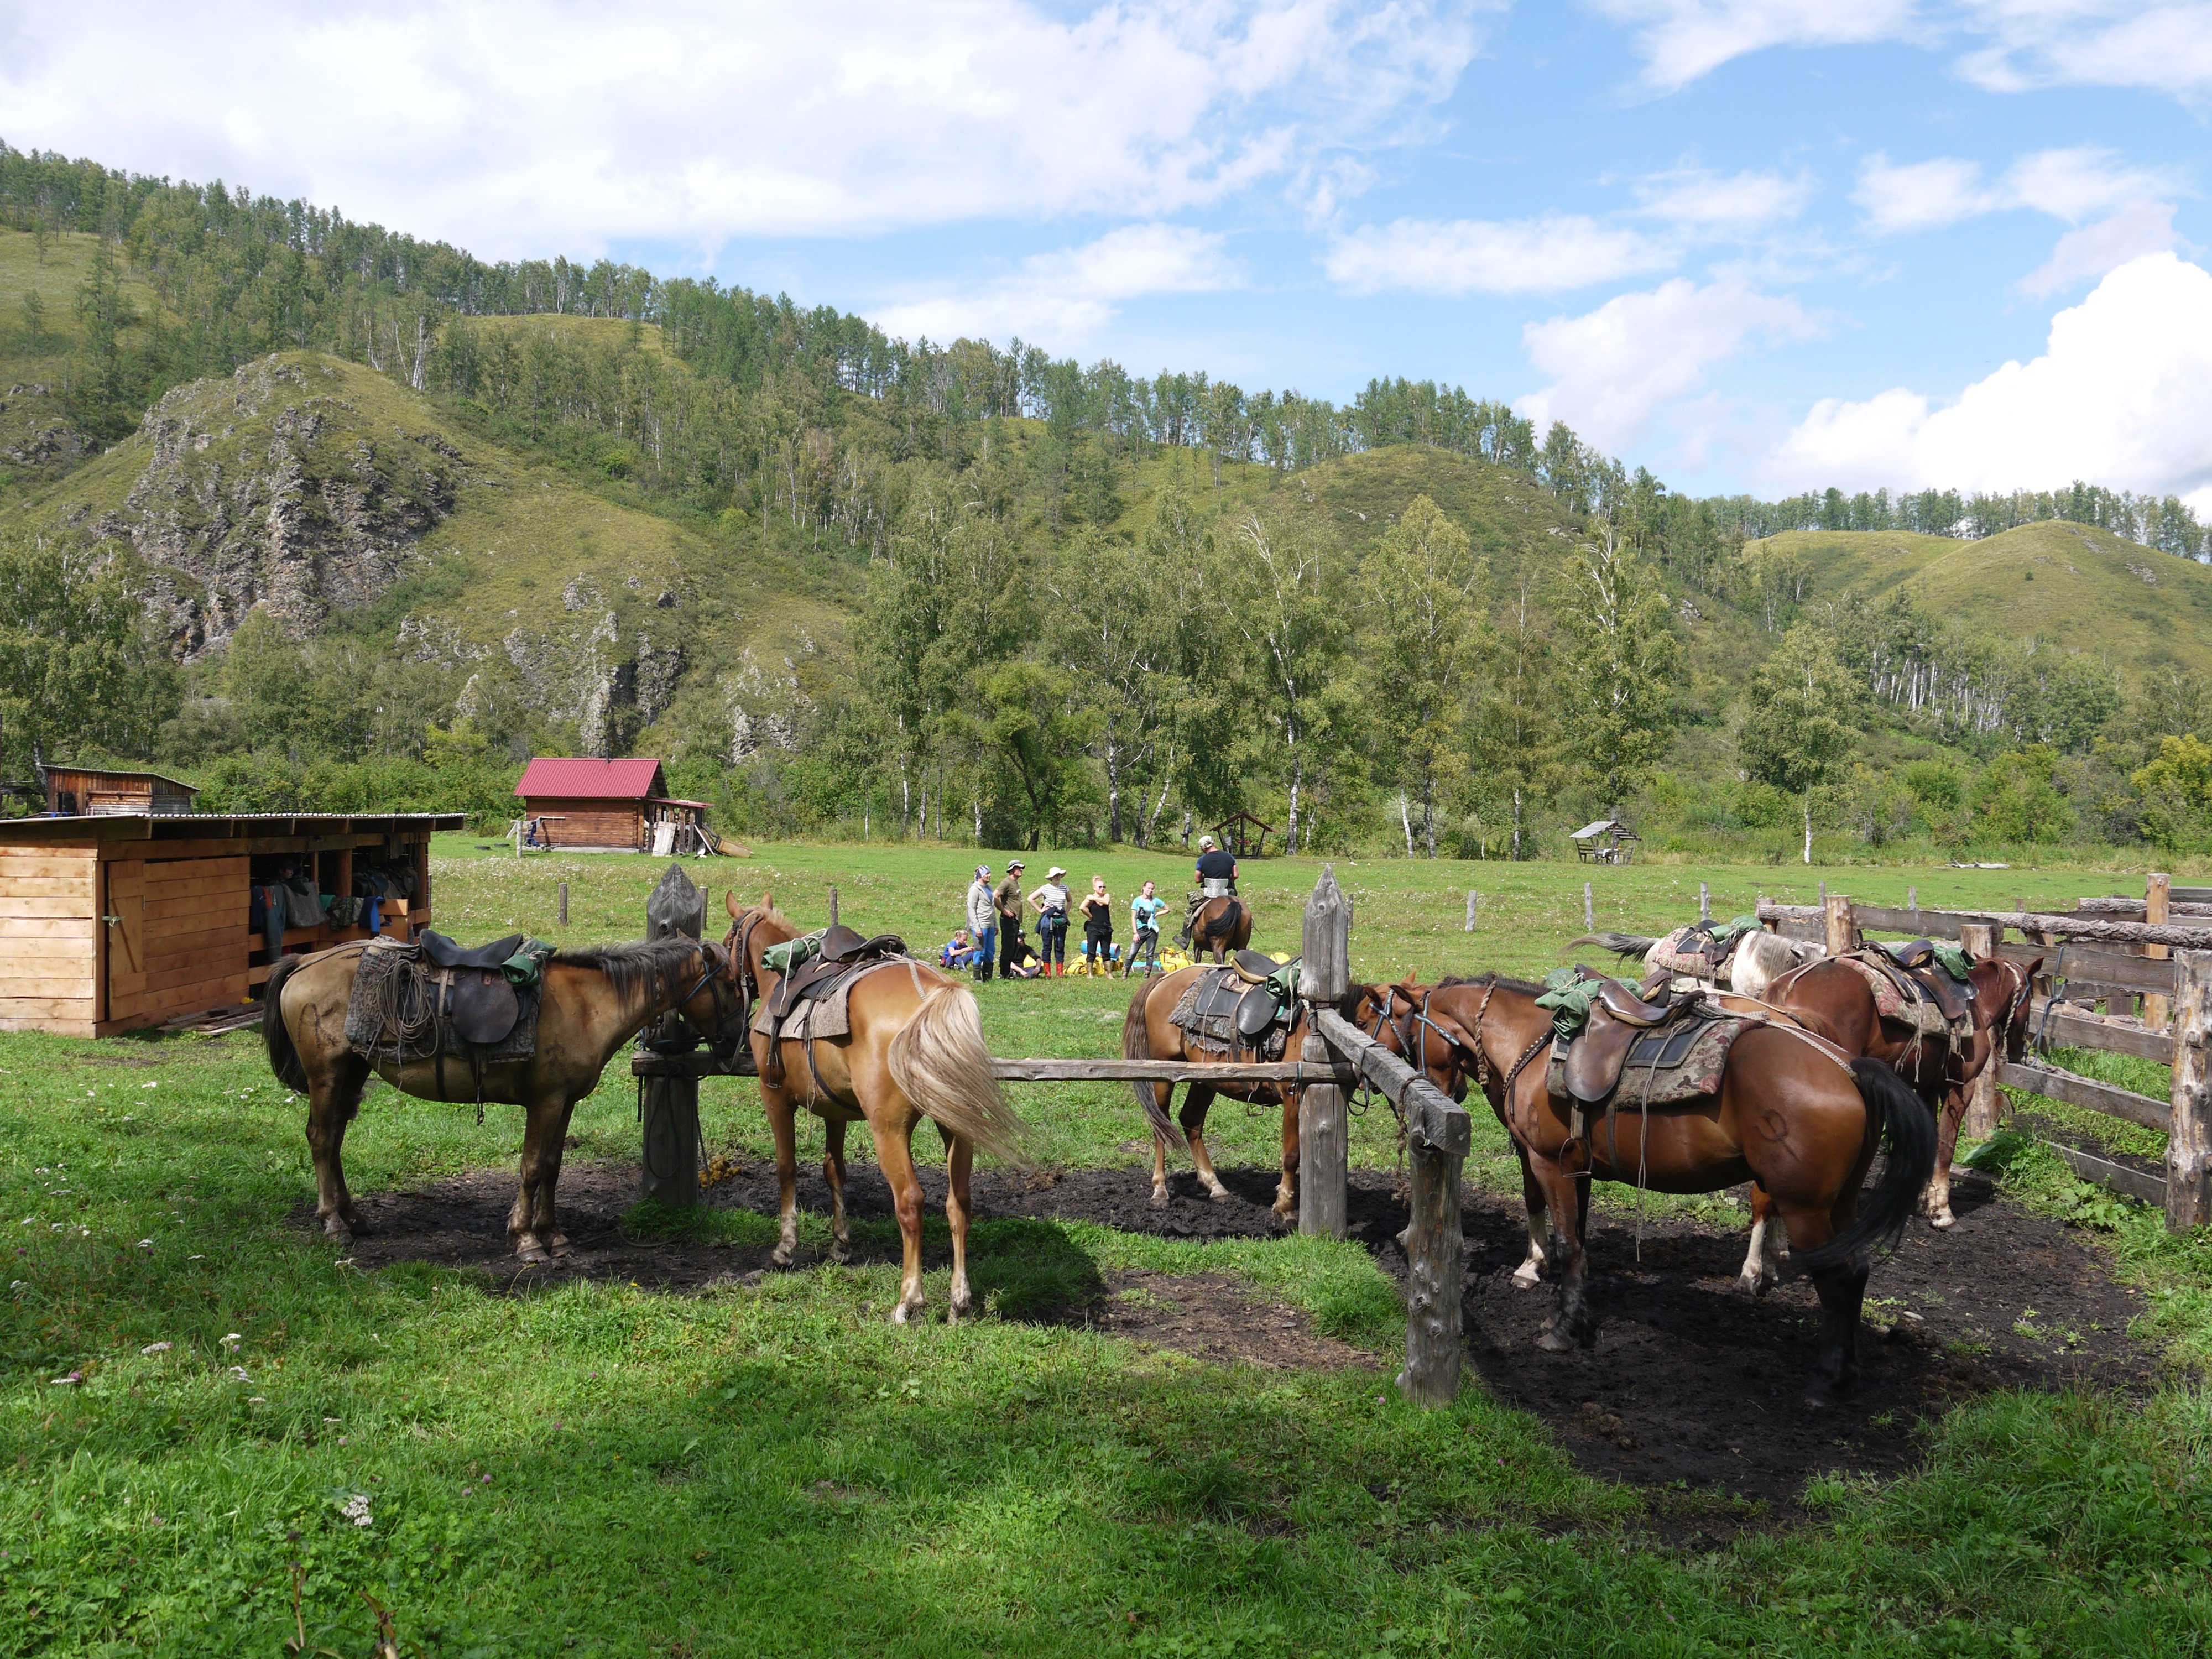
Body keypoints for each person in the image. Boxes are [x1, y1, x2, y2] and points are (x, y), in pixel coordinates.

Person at [1186, 832, 1239, 936]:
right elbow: (1236, 875)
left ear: (1203, 848)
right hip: (1227, 891)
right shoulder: (1229, 856)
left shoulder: (1202, 860)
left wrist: (1206, 878)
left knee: (1188, 910)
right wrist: (1228, 879)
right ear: (1213, 843)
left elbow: (1197, 879)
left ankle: (1185, 938)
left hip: (1208, 892)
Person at [1029, 865, 1072, 977]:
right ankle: (1048, 972)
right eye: (1055, 876)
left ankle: (1060, 972)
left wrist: (1066, 913)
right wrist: (1040, 910)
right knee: (1047, 946)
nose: (1058, 878)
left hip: (1061, 919)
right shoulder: (1045, 888)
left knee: (1060, 945)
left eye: (1059, 875)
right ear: (1051, 878)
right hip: (1048, 920)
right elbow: (1031, 898)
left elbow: (1070, 900)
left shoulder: (1064, 888)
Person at [993, 859, 1026, 981]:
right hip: (1008, 921)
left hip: (1015, 921)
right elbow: (995, 896)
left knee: (1012, 946)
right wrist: (1004, 911)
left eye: (1022, 868)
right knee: (1007, 947)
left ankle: (1008, 972)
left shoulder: (1015, 883)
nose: (1021, 870)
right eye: (1019, 868)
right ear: (1012, 870)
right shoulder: (1006, 882)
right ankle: (1004, 973)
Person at [1127, 879, 1167, 977]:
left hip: (1152, 930)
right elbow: (1133, 917)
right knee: (1132, 953)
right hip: (1140, 930)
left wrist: (1157, 914)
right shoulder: (1137, 901)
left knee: (1150, 954)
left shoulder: (1155, 901)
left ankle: (1147, 975)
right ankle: (1125, 973)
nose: (1151, 890)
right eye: (1149, 888)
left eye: (1152, 889)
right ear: (1144, 888)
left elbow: (1167, 909)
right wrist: (1135, 933)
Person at [965, 864, 997, 983]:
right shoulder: (975, 889)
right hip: (981, 925)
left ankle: (988, 977)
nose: (989, 875)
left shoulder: (989, 888)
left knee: (990, 950)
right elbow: (971, 909)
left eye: (989, 873)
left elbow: (992, 908)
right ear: (980, 876)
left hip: (990, 925)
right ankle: (977, 978)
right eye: (986, 874)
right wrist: (977, 928)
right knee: (980, 950)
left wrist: (995, 924)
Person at [1077, 875, 1114, 975]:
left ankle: (1109, 973)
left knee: (1106, 951)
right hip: (1093, 928)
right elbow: (1082, 907)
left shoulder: (1106, 896)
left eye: (1104, 887)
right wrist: (1090, 915)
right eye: (1100, 887)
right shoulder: (1090, 900)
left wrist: (1093, 897)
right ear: (1094, 888)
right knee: (1091, 950)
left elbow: (1106, 902)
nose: (1102, 889)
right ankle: (1089, 974)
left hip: (1106, 927)